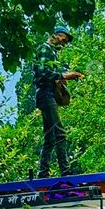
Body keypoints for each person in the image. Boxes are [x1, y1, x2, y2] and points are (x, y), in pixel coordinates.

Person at [34, 23, 85, 177]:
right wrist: (63, 75)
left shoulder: (53, 54)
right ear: (55, 35)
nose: (64, 44)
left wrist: (59, 80)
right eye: (63, 40)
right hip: (45, 94)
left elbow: (49, 74)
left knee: (50, 137)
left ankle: (43, 173)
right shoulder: (44, 49)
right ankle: (66, 172)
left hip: (48, 94)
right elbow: (42, 72)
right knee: (60, 133)